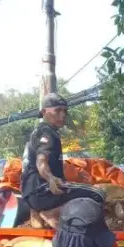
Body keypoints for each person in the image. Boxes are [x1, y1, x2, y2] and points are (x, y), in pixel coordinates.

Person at [21, 92, 102, 228]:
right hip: (44, 191)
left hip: (31, 193)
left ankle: (37, 212)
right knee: (98, 194)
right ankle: (52, 213)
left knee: (73, 187)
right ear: (44, 112)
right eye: (57, 110)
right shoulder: (48, 134)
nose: (63, 115)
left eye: (64, 111)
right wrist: (50, 178)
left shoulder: (38, 131)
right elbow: (41, 161)